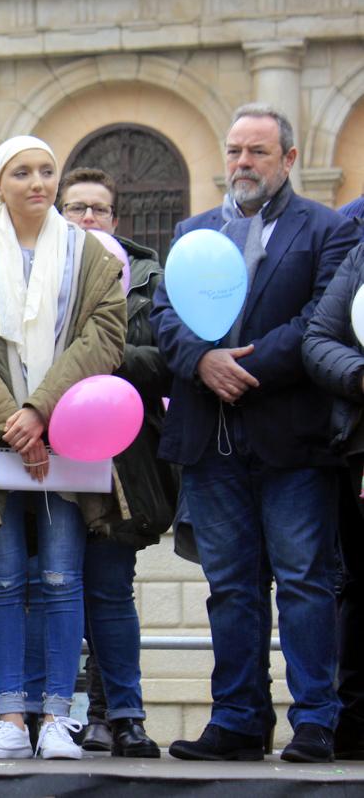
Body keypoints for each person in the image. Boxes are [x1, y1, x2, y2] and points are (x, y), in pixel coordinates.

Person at [160, 104, 356, 764]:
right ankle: (239, 720)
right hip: (209, 443)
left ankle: (315, 722)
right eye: (235, 151)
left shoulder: (325, 230)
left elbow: (318, 319)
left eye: (258, 152)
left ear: (289, 161)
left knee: (306, 582)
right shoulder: (191, 231)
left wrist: (244, 366)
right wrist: (200, 361)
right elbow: (165, 318)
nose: (242, 163)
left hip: (292, 441)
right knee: (232, 588)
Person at [0, 135, 126, 761]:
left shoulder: (90, 254)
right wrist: (9, 421)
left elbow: (105, 335)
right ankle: (11, 719)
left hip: (69, 441)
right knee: (5, 580)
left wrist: (40, 410)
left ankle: (55, 719)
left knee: (60, 578)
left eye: (47, 171)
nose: (38, 182)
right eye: (22, 172)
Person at [25, 167, 174, 757]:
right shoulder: (29, 270)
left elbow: (170, 359)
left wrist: (105, 361)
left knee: (110, 589)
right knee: (48, 586)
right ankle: (48, 715)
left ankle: (124, 715)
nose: (88, 218)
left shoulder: (148, 277)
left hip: (121, 462)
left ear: (116, 220)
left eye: (99, 210)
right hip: (44, 455)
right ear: (60, 214)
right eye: (77, 208)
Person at [302, 232, 364, 761]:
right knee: (358, 589)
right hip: (361, 450)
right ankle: (356, 726)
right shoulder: (359, 253)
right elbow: (319, 338)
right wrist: (361, 375)